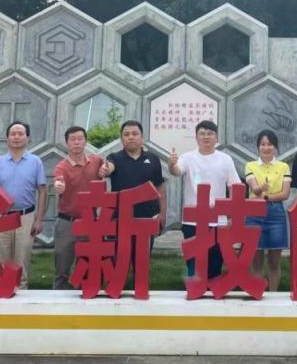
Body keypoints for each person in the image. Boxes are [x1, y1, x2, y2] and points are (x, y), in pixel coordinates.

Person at [168, 119, 241, 279]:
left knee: (215, 265)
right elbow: (177, 171)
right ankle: (195, 291)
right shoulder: (188, 157)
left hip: (218, 221)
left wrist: (232, 216)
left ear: (216, 137)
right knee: (194, 265)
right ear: (196, 137)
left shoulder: (225, 159)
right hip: (192, 221)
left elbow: (234, 187)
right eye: (202, 134)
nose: (206, 137)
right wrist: (172, 165)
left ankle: (212, 291)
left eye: (210, 133)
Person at [0, 120, 47, 290]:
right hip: (1, 217)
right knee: (2, 259)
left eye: (20, 134)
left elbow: (42, 191)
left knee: (22, 261)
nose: (16, 137)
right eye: (13, 134)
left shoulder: (36, 162)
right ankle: (2, 292)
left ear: (28, 138)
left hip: (25, 217)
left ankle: (22, 295)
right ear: (7, 138)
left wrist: (38, 220)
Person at [102, 119, 167, 283]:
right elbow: (108, 168)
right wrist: (106, 169)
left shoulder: (152, 159)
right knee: (118, 263)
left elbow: (159, 186)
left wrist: (162, 213)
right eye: (126, 134)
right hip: (120, 220)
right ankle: (115, 294)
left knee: (141, 264)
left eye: (134, 134)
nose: (131, 137)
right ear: (121, 139)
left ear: (142, 137)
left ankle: (141, 294)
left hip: (146, 219)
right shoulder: (114, 158)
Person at [52, 125, 104, 289]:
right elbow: (58, 182)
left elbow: (108, 166)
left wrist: (107, 169)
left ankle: (85, 297)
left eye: (80, 139)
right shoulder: (61, 167)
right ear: (67, 143)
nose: (76, 142)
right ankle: (57, 298)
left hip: (90, 222)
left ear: (85, 141)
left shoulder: (96, 162)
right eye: (72, 139)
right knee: (62, 266)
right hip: (67, 222)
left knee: (87, 265)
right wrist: (58, 187)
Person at [244, 129, 291, 293]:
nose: (266, 148)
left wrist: (265, 197)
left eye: (270, 144)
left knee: (274, 261)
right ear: (258, 147)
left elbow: (285, 194)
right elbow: (254, 188)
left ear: (275, 147)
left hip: (276, 214)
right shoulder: (250, 165)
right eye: (263, 144)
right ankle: (258, 294)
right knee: (256, 260)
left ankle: (273, 295)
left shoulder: (283, 166)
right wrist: (260, 189)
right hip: (254, 214)